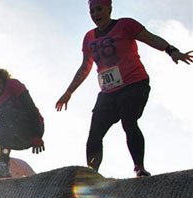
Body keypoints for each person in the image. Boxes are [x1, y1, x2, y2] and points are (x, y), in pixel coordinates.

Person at [55, 0, 193, 177]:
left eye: (99, 9)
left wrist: (171, 50)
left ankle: (139, 168)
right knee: (95, 133)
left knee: (128, 120)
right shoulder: (89, 37)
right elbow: (85, 67)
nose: (96, 14)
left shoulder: (125, 25)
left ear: (109, 9)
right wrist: (69, 92)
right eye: (92, 11)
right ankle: (91, 173)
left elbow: (150, 38)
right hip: (108, 92)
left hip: (134, 84)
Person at [0, 58, 45, 180]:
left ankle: (4, 164)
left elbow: (31, 109)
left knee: (5, 113)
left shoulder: (13, 85)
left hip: (31, 129)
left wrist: (37, 135)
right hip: (11, 138)